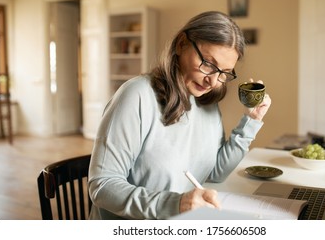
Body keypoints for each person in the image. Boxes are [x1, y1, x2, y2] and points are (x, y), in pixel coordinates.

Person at [88, 11, 271, 219]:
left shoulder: (206, 103)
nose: (213, 82)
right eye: (209, 64)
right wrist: (176, 204)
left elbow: (215, 173)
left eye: (224, 73)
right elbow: (102, 186)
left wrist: (252, 120)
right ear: (181, 44)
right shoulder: (136, 96)